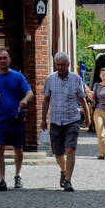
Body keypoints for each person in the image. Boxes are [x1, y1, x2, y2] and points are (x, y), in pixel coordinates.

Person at [0, 48, 34, 190]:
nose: (3, 61)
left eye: (5, 58)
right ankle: (2, 180)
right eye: (0, 58)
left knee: (18, 148)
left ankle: (17, 174)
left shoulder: (17, 77)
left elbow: (30, 92)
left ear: (9, 60)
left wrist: (24, 100)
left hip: (15, 117)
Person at [41, 52, 90, 191]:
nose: (60, 67)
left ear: (68, 64)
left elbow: (82, 99)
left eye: (63, 65)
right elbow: (46, 100)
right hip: (56, 120)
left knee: (70, 149)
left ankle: (68, 180)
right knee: (57, 153)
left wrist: (87, 117)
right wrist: (43, 119)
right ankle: (63, 170)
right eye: (58, 65)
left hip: (72, 120)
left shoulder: (76, 79)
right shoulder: (50, 79)